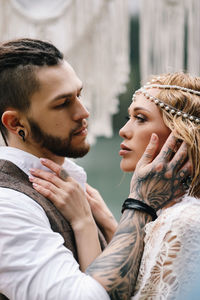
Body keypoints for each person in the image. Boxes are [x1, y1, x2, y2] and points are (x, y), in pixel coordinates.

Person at [0, 38, 190, 300]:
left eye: (78, 95)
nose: (83, 112)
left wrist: (107, 226)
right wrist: (140, 204)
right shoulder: (7, 204)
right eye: (62, 103)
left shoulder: (74, 185)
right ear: (15, 122)